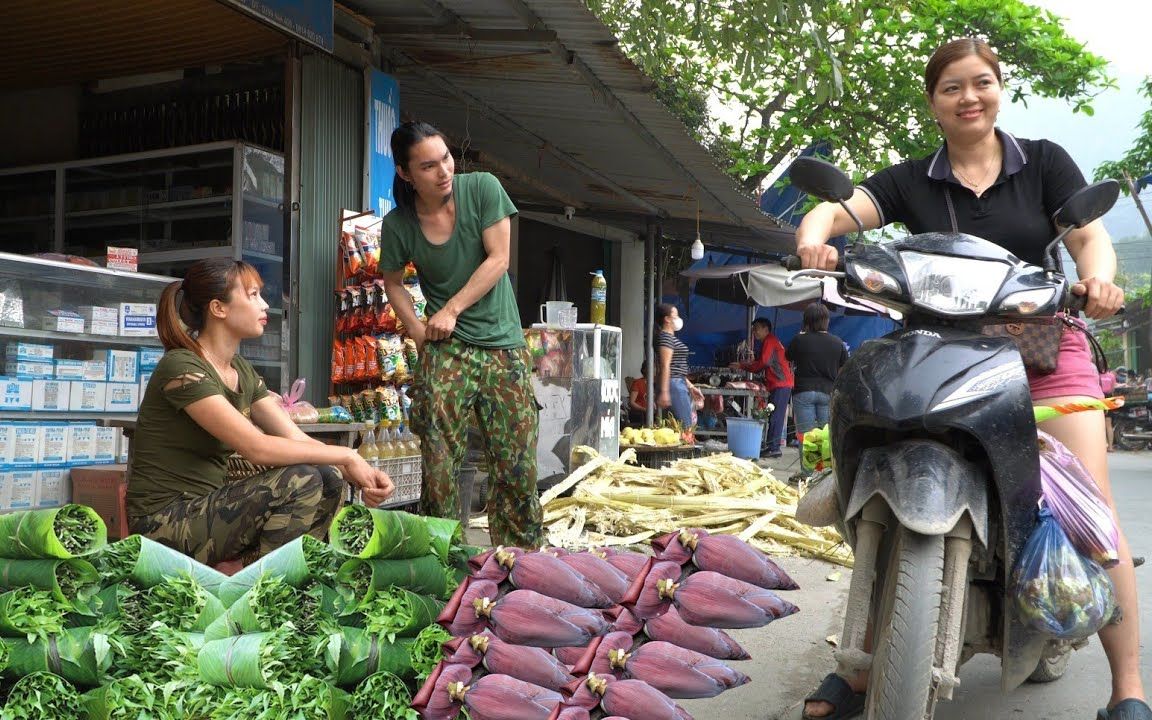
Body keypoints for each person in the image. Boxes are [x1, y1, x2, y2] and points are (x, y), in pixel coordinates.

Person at [794, 38, 1145, 720]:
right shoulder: (910, 179)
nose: (968, 96)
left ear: (998, 88)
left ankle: (1128, 688)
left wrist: (1099, 277)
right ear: (934, 102)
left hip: (1041, 347)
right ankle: (863, 665)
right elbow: (839, 211)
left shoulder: (1042, 162)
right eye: (952, 87)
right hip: (937, 349)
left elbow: (1087, 235)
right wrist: (813, 235)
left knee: (1090, 514)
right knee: (876, 470)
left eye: (980, 82)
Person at [128, 258, 394, 573]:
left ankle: (290, 582)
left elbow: (295, 438)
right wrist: (347, 455)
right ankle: (260, 590)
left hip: (207, 512)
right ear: (218, 308)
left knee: (329, 477)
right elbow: (256, 446)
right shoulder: (182, 368)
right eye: (252, 295)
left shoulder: (241, 370)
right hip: (163, 522)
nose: (264, 304)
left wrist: (351, 469)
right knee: (302, 479)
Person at [380, 121, 543, 549]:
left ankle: (520, 563)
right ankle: (443, 562)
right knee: (439, 464)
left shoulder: (483, 188)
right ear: (405, 174)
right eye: (429, 166)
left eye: (447, 158)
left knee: (516, 464)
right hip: (446, 351)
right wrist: (416, 331)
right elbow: (392, 281)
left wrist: (450, 309)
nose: (444, 171)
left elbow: (499, 259)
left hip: (503, 345)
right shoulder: (398, 224)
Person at [786, 303, 848, 456]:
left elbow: (788, 357)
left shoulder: (799, 340)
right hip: (827, 392)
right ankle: (823, 474)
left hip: (803, 392)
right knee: (826, 435)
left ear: (806, 320)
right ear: (826, 320)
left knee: (806, 436)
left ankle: (807, 474)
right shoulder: (837, 342)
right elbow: (843, 368)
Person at [730, 318, 793, 458]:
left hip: (781, 384)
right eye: (753, 329)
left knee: (776, 416)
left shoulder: (770, 341)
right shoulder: (769, 341)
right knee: (773, 415)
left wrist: (743, 365)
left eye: (757, 328)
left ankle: (774, 447)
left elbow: (763, 362)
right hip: (778, 384)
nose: (754, 332)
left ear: (766, 329)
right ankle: (772, 446)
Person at [654, 303, 693, 426]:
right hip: (674, 384)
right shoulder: (666, 338)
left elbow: (676, 367)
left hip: (678, 382)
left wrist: (691, 386)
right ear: (667, 319)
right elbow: (665, 365)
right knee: (685, 427)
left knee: (678, 427)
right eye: (675, 316)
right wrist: (664, 391)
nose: (678, 319)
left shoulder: (669, 337)